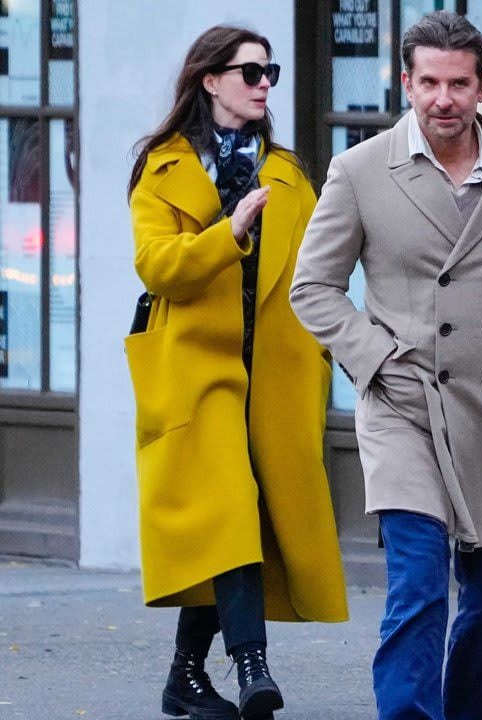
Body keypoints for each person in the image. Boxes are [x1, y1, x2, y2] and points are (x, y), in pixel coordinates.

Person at [288, 11, 482, 720]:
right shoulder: (361, 169)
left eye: (459, 84)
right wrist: (376, 358)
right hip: (405, 402)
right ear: (406, 82)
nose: (443, 99)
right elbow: (312, 288)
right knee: (419, 586)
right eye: (428, 82)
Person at [125, 25, 348, 720]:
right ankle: (253, 669)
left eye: (270, 72)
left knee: (243, 520)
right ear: (209, 80)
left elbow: (320, 272)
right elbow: (158, 268)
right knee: (229, 502)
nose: (263, 85)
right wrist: (230, 232)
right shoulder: (161, 168)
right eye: (249, 72)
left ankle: (184, 677)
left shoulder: (286, 172)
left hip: (274, 374)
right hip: (198, 373)